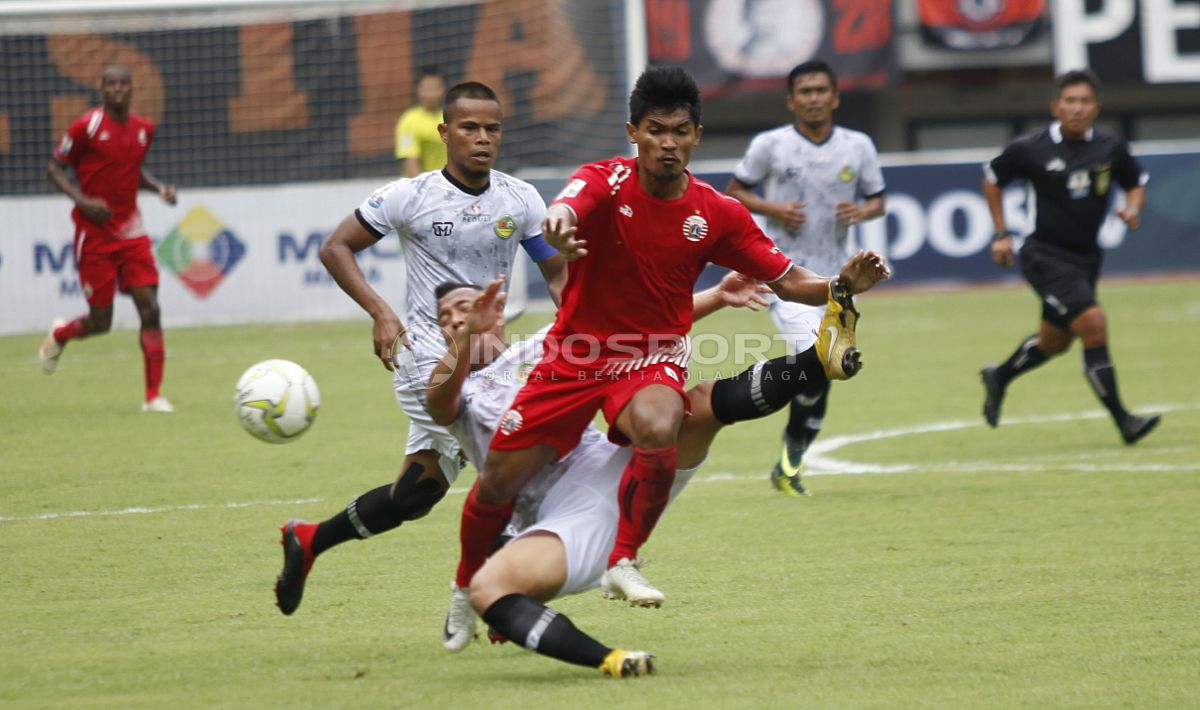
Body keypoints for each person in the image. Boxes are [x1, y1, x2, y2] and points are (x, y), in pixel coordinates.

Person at [444, 64, 890, 644]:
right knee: (497, 484)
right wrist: (557, 224)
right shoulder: (602, 182)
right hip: (573, 355)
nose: (668, 143)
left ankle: (622, 560)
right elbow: (566, 208)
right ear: (634, 132)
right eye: (657, 130)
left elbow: (787, 278)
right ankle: (462, 589)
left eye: (680, 131)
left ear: (697, 136)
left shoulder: (717, 214)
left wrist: (840, 286)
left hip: (650, 356)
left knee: (661, 422)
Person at [425, 269, 857, 674]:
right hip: (559, 516)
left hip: (614, 468)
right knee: (489, 591)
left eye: (465, 306)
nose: (455, 318)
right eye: (445, 317)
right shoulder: (455, 387)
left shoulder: (542, 344)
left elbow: (639, 328)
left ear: (496, 309)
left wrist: (719, 297)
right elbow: (439, 405)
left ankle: (820, 360)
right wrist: (464, 341)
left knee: (701, 404)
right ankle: (612, 659)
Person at [272, 81, 567, 616]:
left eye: (492, 128)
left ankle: (310, 540)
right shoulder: (411, 196)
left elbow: (558, 274)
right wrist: (382, 312)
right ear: (445, 131)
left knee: (415, 494)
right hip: (427, 363)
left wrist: (576, 321)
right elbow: (336, 247)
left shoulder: (521, 198)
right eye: (470, 127)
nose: (482, 138)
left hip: (490, 365)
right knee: (513, 467)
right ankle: (507, 606)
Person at [726, 59, 886, 496]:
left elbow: (879, 199)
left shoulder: (858, 146)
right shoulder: (771, 145)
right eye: (805, 92)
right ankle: (791, 462)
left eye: (821, 91)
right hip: (784, 274)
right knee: (818, 362)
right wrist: (775, 210)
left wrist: (862, 211)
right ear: (792, 99)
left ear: (834, 97)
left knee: (828, 368)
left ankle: (789, 459)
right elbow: (735, 190)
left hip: (837, 278)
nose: (813, 98)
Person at [980, 69, 1159, 445]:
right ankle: (1124, 421)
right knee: (1093, 324)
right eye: (1070, 101)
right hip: (1043, 256)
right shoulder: (1032, 148)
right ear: (1055, 107)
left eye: (1084, 101)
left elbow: (1135, 183)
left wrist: (1133, 208)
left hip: (1086, 260)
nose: (1077, 108)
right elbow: (993, 178)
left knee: (1055, 342)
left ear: (1097, 107)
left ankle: (1000, 376)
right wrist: (1001, 234)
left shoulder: (1110, 147)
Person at [40, 64, 178, 413]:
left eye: (123, 84)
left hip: (131, 234)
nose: (117, 89)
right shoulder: (86, 126)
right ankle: (60, 335)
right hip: (95, 236)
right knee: (101, 322)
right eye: (110, 84)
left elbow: (131, 171)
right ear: (101, 89)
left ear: (132, 90)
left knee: (152, 308)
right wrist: (83, 201)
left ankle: (153, 396)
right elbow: (54, 168)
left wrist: (159, 188)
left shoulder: (144, 130)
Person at [395, 67, 447, 178]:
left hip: (449, 186)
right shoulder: (409, 120)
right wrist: (423, 188)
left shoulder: (451, 116)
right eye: (428, 88)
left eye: (436, 88)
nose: (432, 93)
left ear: (443, 89)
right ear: (419, 90)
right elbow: (409, 158)